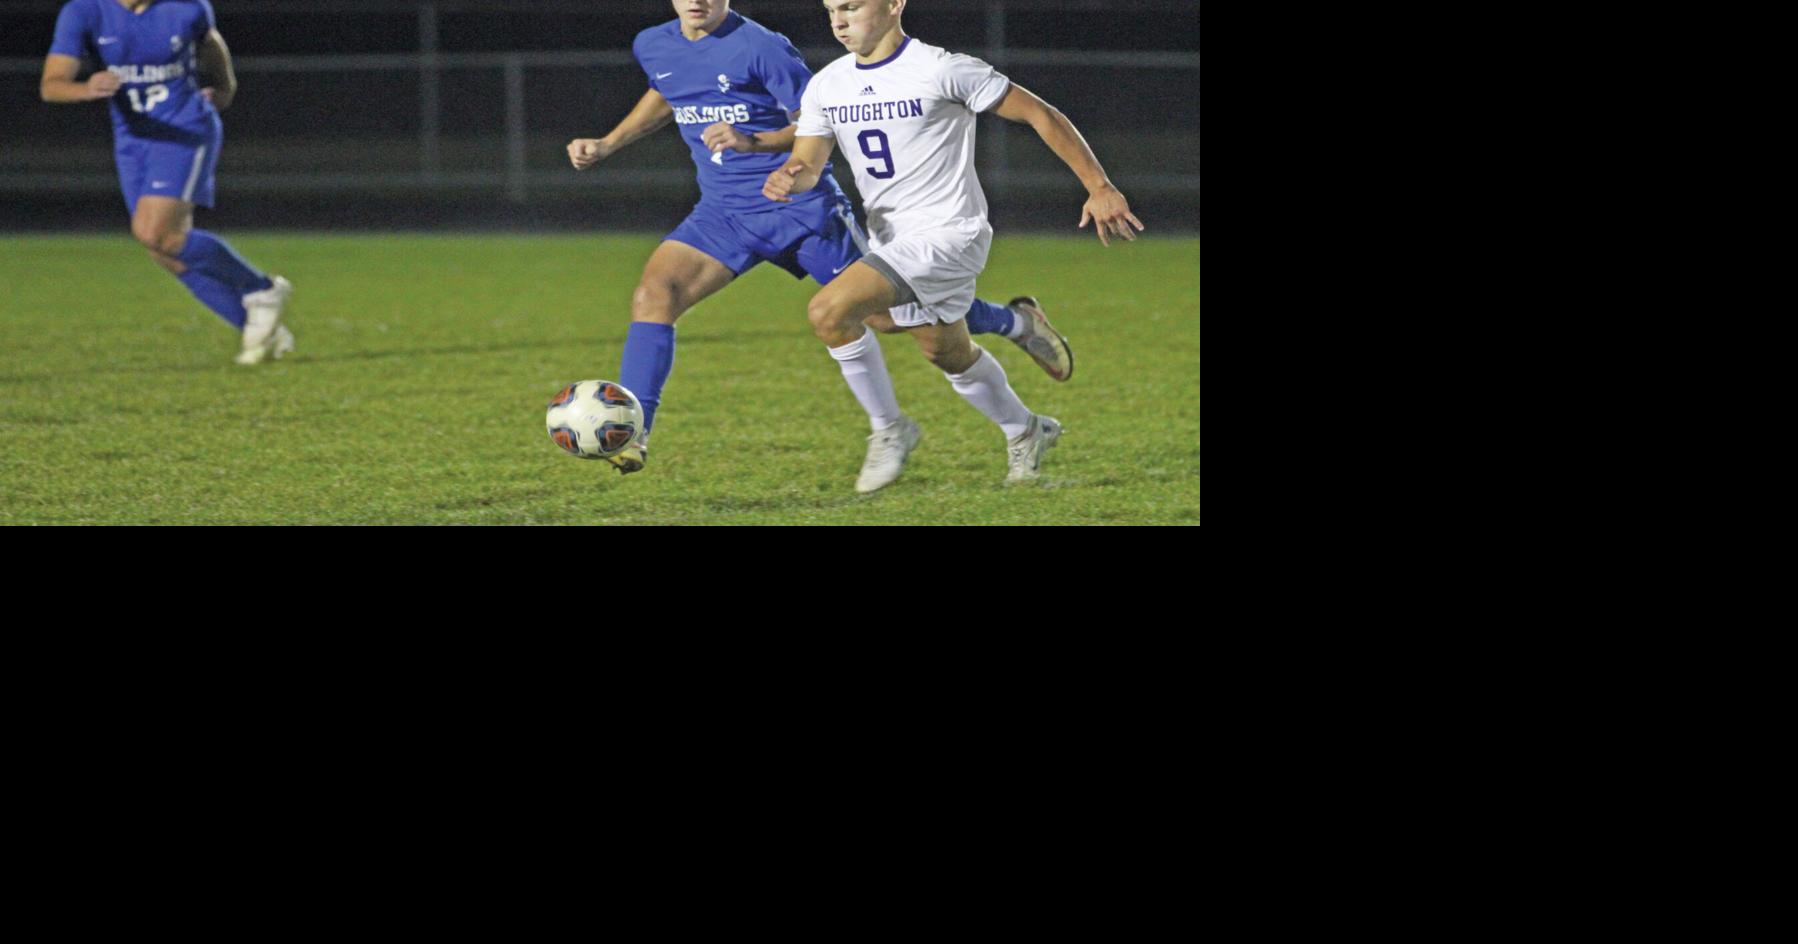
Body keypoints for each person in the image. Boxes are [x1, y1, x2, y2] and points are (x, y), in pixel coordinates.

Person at [566, 0, 1071, 489]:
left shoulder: (763, 47)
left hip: (802, 212)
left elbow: (811, 122)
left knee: (888, 317)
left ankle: (1011, 321)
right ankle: (634, 432)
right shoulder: (652, 44)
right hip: (724, 213)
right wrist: (610, 142)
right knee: (656, 293)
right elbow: (668, 90)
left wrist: (754, 143)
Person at [765, 0, 1143, 486]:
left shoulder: (942, 68)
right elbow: (809, 164)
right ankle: (1026, 427)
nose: (839, 20)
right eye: (832, 9)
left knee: (830, 311)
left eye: (852, 6)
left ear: (894, 4)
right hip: (893, 238)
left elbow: (1041, 114)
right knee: (945, 352)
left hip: (949, 234)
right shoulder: (827, 84)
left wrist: (1099, 186)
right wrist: (789, 177)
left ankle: (889, 428)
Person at [40, 0, 293, 365]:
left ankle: (262, 290)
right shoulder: (85, 11)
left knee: (156, 232)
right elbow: (52, 85)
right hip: (133, 140)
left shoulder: (187, 8)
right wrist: (86, 87)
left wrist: (223, 89)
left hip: (185, 130)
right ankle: (261, 329)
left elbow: (211, 46)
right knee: (162, 250)